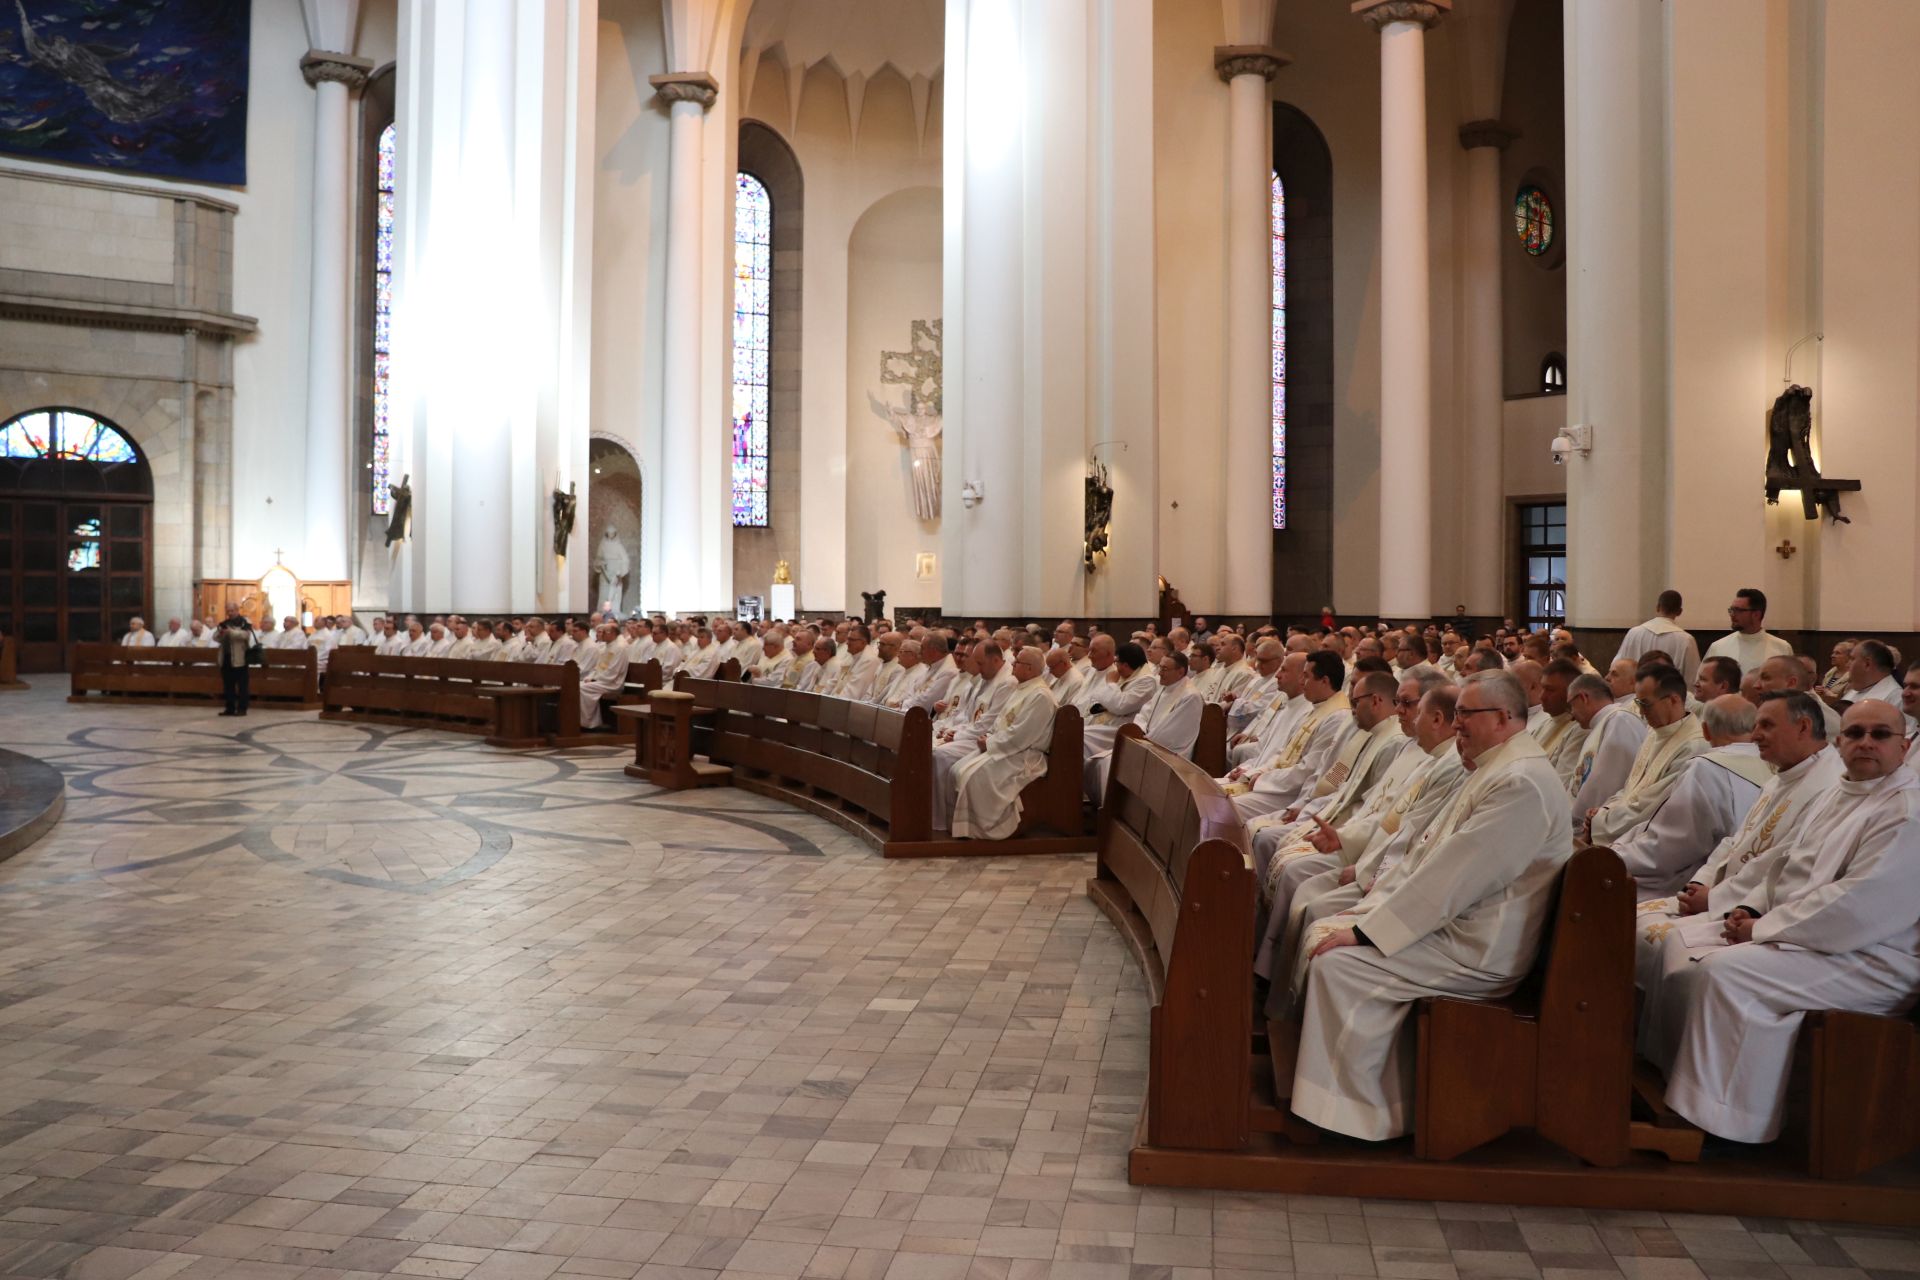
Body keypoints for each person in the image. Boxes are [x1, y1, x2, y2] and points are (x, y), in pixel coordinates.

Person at [1283, 672, 1572, 1140]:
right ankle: (1349, 1097)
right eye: (1455, 715)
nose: (1455, 725)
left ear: (1502, 718)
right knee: (1332, 935)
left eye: (1465, 715)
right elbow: (1428, 848)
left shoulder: (1520, 782)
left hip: (1478, 946)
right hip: (1460, 926)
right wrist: (1374, 906)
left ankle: (1357, 1115)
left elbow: (1457, 877)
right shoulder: (1497, 767)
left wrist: (1368, 931)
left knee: (1341, 968)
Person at [1639, 700, 1920, 1144]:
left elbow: (1857, 906)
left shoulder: (1906, 811)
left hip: (1874, 956)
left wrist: (1764, 929)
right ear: (1839, 742)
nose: (1867, 742)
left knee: (1724, 974)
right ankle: (1673, 1081)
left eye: (1880, 734)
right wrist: (1750, 908)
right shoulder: (1840, 792)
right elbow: (1787, 862)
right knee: (1681, 943)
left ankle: (1726, 1119)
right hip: (1811, 935)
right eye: (1855, 733)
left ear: (1904, 745)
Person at [1260, 681, 1464, 987]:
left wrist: (1359, 858)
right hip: (1359, 842)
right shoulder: (1404, 744)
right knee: (1295, 878)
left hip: (1376, 861)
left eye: (1408, 705)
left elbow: (1405, 829)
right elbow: (1350, 788)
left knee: (1303, 889)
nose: (1399, 712)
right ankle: (1271, 973)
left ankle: (1274, 982)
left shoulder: (1423, 753)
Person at [1610, 695, 1768, 899]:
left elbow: (1670, 846)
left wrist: (1615, 855)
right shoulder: (1773, 765)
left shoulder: (1707, 768)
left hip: (1698, 881)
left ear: (1706, 731)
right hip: (1747, 883)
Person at [1226, 651, 1354, 823]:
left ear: (1324, 681)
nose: (1302, 682)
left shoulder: (1337, 717)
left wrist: (1262, 778)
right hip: (1277, 784)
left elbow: (1308, 770)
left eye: (1306, 677)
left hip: (1291, 794)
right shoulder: (1315, 709)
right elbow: (1283, 752)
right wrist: (1258, 772)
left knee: (1225, 808)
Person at [1587, 666, 1710, 846]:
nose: (1642, 713)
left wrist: (1600, 821)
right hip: (1618, 826)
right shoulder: (1654, 732)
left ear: (1673, 700)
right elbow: (1631, 787)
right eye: (1639, 704)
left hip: (1648, 842)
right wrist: (1604, 809)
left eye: (1646, 704)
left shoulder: (1693, 746)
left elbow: (1652, 807)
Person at [950, 647, 1059, 839]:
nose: (1012, 666)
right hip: (1007, 748)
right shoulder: (1023, 689)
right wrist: (989, 737)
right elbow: (1001, 721)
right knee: (958, 768)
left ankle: (984, 828)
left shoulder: (1040, 696)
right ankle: (967, 828)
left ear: (1030, 669)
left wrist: (990, 743)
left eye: (1017, 663)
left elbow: (1022, 735)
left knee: (974, 776)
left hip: (1025, 756)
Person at [1083, 652, 1205, 803]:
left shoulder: (1190, 696)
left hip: (1168, 753)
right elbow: (1144, 714)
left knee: (1109, 763)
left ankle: (1114, 810)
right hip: (1146, 742)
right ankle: (1104, 808)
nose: (1160, 673)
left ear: (1180, 671)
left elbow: (1171, 734)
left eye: (1165, 669)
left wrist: (1143, 741)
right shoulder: (1164, 687)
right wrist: (1139, 733)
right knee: (1098, 761)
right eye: (1160, 667)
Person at [1567, 672, 1647, 838]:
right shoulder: (1604, 724)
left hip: (1604, 828)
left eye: (1571, 705)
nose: (1571, 715)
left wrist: (1583, 824)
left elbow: (1608, 783)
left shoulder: (1620, 720)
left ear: (1583, 697)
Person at [1616, 590, 1701, 684]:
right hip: (1669, 694)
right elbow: (1692, 677)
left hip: (1636, 693)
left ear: (1657, 607)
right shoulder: (1686, 640)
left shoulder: (1634, 633)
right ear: (1680, 612)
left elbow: (1617, 666)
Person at [1702, 588, 1793, 675]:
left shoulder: (1781, 648)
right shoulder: (1718, 647)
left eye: (1738, 610)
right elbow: (1702, 683)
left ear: (1756, 615)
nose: (1732, 615)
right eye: (1732, 610)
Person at [579, 624, 632, 730]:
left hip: (612, 683)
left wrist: (594, 679)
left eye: (605, 632)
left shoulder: (620, 648)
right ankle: (585, 721)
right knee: (578, 684)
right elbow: (597, 668)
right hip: (601, 681)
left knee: (581, 688)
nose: (601, 634)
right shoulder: (605, 647)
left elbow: (614, 671)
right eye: (601, 631)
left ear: (613, 633)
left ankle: (589, 723)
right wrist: (590, 677)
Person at [216, 614, 257, 716]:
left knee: (242, 686)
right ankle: (230, 708)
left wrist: (231, 632)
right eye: (228, 610)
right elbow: (216, 638)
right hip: (226, 659)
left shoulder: (244, 623)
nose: (230, 612)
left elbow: (245, 635)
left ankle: (242, 709)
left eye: (232, 610)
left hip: (240, 659)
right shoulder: (223, 624)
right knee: (228, 686)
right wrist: (221, 633)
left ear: (237, 611)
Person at [1842, 639, 1902, 708]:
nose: (1847, 665)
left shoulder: (1896, 698)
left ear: (1867, 664)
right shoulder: (1855, 691)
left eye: (1852, 659)